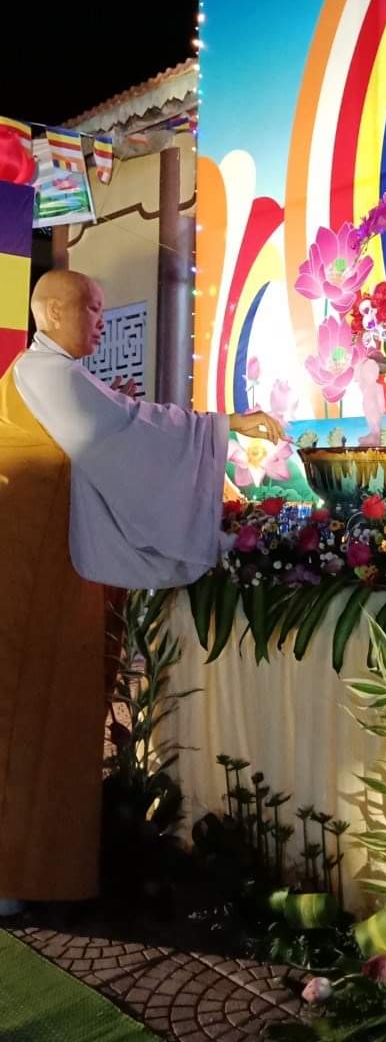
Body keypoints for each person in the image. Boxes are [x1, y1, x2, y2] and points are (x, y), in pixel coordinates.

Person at [0, 269, 284, 915]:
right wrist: (226, 424)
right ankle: (16, 874)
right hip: (34, 574)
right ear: (52, 313)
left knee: (50, 716)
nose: (101, 323)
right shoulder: (47, 372)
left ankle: (34, 871)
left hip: (47, 568)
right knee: (27, 717)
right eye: (92, 310)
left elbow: (115, 429)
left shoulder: (52, 373)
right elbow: (129, 432)